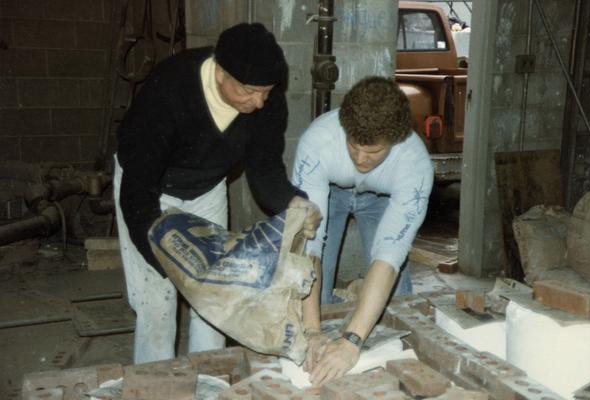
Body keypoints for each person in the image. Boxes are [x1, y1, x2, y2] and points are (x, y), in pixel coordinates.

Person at [113, 22, 321, 364]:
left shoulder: (267, 101)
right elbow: (138, 192)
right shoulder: (169, 90)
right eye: (250, 91)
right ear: (221, 73)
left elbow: (265, 168)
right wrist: (170, 264)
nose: (259, 102)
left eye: (266, 91)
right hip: (150, 190)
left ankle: (211, 377)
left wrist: (293, 201)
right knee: (158, 301)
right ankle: (158, 383)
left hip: (206, 187)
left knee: (218, 297)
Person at [292, 76, 434, 383]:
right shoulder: (318, 142)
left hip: (382, 198)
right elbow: (309, 247)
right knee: (318, 295)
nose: (360, 159)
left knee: (398, 300)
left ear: (395, 140)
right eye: (354, 147)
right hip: (331, 190)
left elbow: (388, 257)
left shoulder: (414, 163)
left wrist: (352, 342)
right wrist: (313, 331)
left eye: (372, 153)